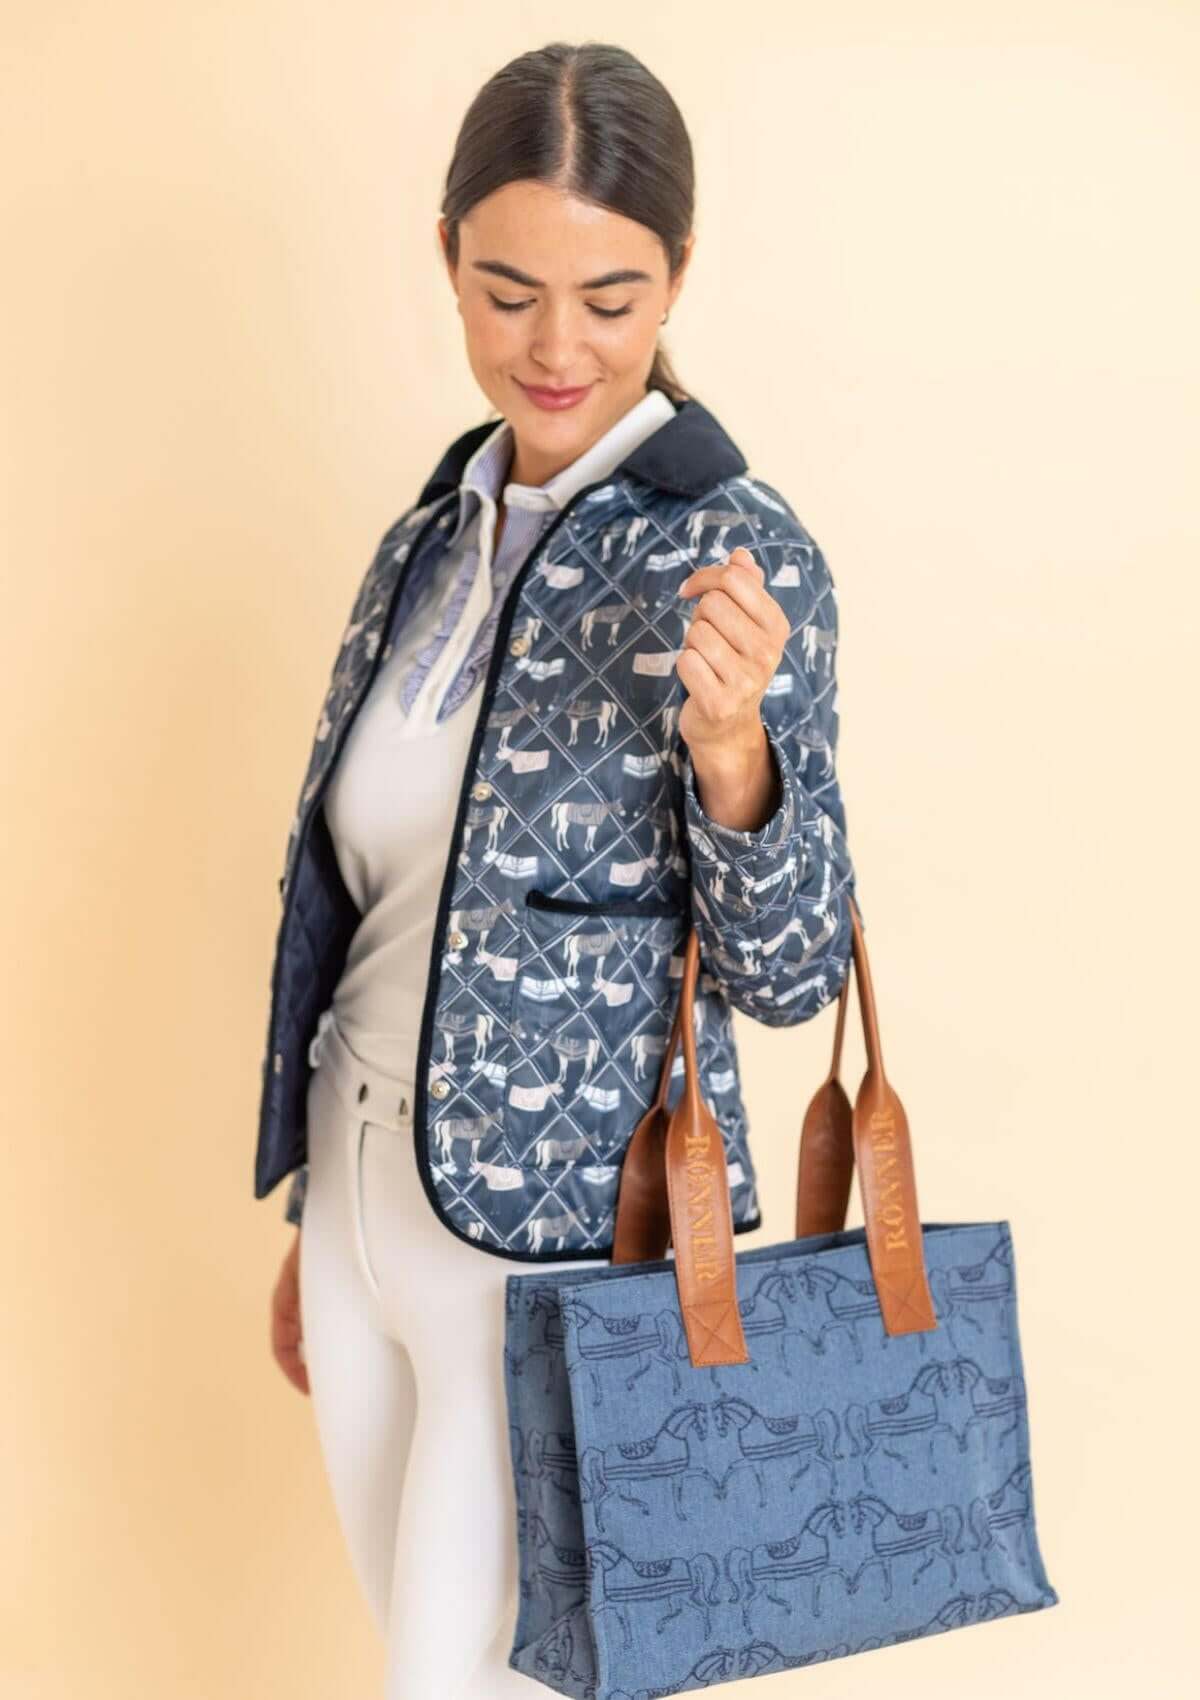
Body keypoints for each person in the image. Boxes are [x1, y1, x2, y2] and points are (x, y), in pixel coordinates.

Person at [260, 39, 858, 1700]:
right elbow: (367, 913)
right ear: (447, 257)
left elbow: (792, 975)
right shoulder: (426, 540)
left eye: (611, 297)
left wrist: (735, 754)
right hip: (363, 1209)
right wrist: (322, 1218)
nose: (555, 347)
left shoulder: (736, 550)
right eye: (507, 290)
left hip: (563, 1256)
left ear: (680, 274)